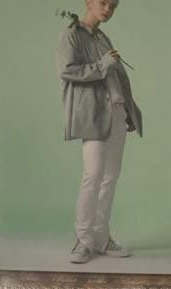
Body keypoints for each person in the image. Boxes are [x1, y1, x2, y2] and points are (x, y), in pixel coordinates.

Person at [57, 0, 142, 265]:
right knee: (93, 175)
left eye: (113, 6)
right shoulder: (72, 34)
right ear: (88, 2)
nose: (107, 9)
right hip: (94, 114)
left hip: (117, 113)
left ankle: (101, 238)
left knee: (110, 177)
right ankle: (83, 240)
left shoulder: (103, 37)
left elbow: (117, 80)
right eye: (103, 2)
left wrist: (129, 110)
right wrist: (104, 63)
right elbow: (67, 70)